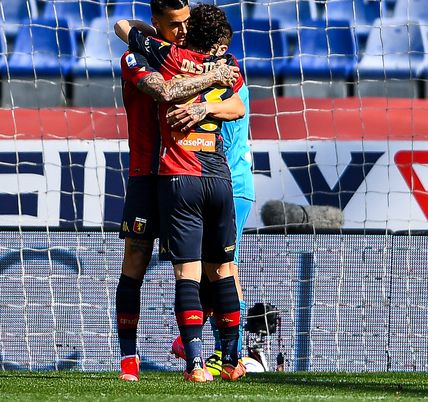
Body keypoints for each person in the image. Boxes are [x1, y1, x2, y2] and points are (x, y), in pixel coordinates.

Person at [115, 4, 247, 382]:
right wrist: (213, 76)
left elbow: (236, 102)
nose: (184, 30)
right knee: (136, 259)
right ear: (157, 24)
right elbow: (164, 91)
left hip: (185, 172)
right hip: (148, 172)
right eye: (175, 24)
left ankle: (221, 356)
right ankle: (129, 360)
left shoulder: (196, 57)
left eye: (188, 22)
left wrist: (210, 92)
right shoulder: (136, 57)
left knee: (209, 265)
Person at [167, 59, 255, 376]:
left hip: (224, 180)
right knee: (216, 270)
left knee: (222, 270)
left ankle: (227, 353)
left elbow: (224, 138)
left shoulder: (222, 81)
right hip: (226, 181)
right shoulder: (226, 78)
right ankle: (222, 351)